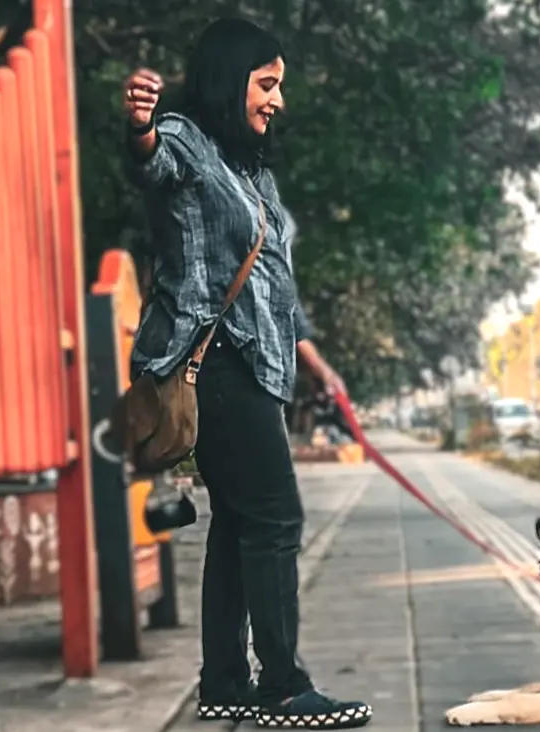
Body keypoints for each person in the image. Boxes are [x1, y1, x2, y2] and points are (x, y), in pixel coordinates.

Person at [121, 17, 371, 730]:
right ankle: (284, 688)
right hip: (215, 362)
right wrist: (137, 123)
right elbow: (150, 159)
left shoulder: (250, 172)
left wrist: (319, 369)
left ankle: (225, 681)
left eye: (279, 87)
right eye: (267, 84)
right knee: (275, 519)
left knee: (237, 523)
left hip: (256, 363)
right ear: (232, 80)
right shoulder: (187, 143)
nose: (276, 101)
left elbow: (273, 289)